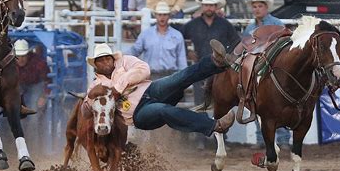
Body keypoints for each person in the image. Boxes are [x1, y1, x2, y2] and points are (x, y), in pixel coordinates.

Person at [82, 41, 236, 140]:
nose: (105, 62)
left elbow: (144, 70)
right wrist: (89, 98)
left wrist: (117, 88)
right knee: (163, 110)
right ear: (96, 65)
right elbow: (85, 112)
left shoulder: (125, 62)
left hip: (150, 89)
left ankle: (215, 62)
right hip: (137, 114)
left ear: (112, 58)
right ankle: (214, 125)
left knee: (179, 78)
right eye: (101, 60)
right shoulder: (95, 86)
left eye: (107, 58)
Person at [243, 0, 290, 149]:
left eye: (260, 6)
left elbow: (285, 43)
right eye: (254, 6)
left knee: (280, 102)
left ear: (266, 7)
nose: (257, 9)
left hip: (276, 68)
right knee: (259, 103)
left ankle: (282, 139)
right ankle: (262, 139)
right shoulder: (251, 27)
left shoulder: (276, 23)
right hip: (260, 70)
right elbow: (247, 47)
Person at [176, 0, 240, 107]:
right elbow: (178, 38)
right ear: (202, 7)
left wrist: (228, 56)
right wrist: (187, 52)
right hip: (200, 68)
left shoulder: (225, 24)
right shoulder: (192, 25)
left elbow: (236, 41)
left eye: (211, 5)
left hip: (220, 70)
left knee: (221, 102)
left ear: (216, 7)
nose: (209, 8)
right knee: (200, 103)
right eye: (206, 5)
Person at [126, 1, 187, 80]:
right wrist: (122, 57)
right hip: (150, 75)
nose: (162, 17)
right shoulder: (146, 34)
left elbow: (181, 60)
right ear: (156, 16)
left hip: (171, 75)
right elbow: (135, 50)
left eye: (165, 15)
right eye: (160, 15)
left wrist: (183, 79)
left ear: (169, 16)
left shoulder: (177, 36)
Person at [14, 39, 52, 153]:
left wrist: (44, 96)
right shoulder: (9, 64)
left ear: (28, 54)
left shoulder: (39, 62)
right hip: (17, 87)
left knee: (33, 116)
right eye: (18, 56)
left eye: (23, 56)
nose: (20, 59)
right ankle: (16, 148)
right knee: (13, 117)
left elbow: (48, 81)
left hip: (36, 86)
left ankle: (33, 149)